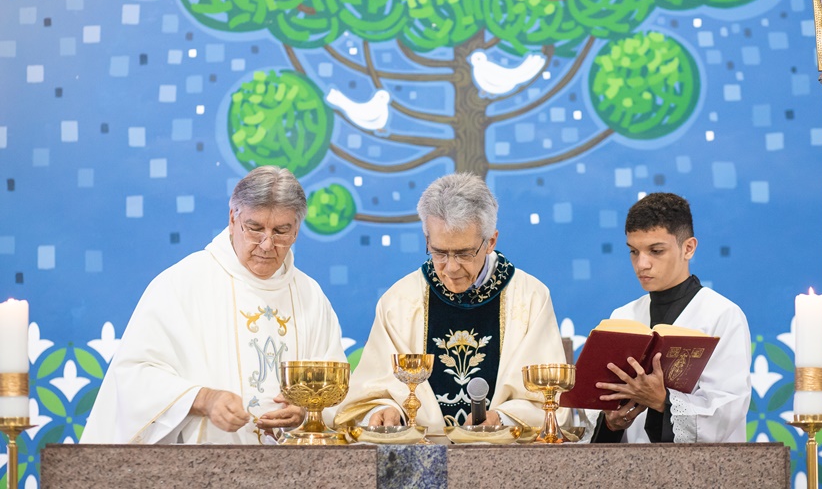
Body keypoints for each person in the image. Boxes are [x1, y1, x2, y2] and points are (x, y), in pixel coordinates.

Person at [81, 166, 346, 444]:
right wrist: (204, 399)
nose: (267, 244)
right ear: (233, 219)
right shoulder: (182, 284)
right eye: (255, 228)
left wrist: (306, 411)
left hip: (294, 466)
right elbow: (134, 376)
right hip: (202, 465)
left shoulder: (310, 296)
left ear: (296, 231)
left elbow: (337, 395)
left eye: (281, 231)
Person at [335, 172, 569, 432]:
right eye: (439, 252)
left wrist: (504, 418)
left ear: (490, 241)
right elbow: (372, 391)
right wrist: (386, 410)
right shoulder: (400, 302)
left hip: (500, 451)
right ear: (427, 240)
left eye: (464, 253)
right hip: (421, 453)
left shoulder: (530, 299)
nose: (451, 267)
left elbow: (548, 401)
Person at [589, 192, 751, 443]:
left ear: (688, 248)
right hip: (629, 465)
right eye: (634, 251)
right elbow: (599, 409)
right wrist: (612, 422)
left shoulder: (721, 315)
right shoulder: (622, 317)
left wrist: (662, 401)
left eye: (656, 251)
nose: (642, 264)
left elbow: (726, 412)